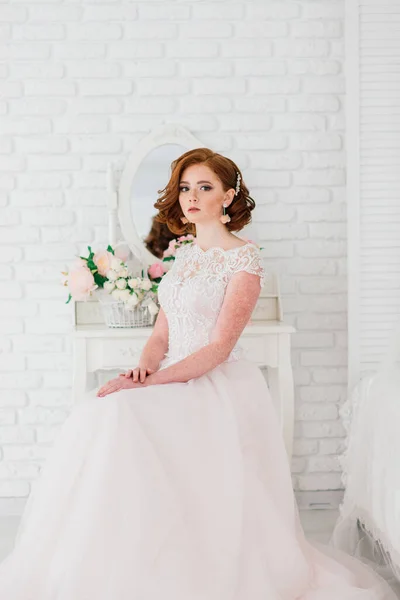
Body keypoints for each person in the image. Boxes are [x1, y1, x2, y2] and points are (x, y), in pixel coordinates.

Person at [0, 148, 397, 599]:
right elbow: (161, 332)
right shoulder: (184, 254)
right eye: (186, 187)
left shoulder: (244, 261)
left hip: (212, 383)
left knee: (119, 415)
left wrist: (152, 384)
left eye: (204, 187)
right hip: (170, 372)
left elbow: (218, 349)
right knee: (100, 409)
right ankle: (116, 557)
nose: (191, 196)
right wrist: (143, 368)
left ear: (227, 197)